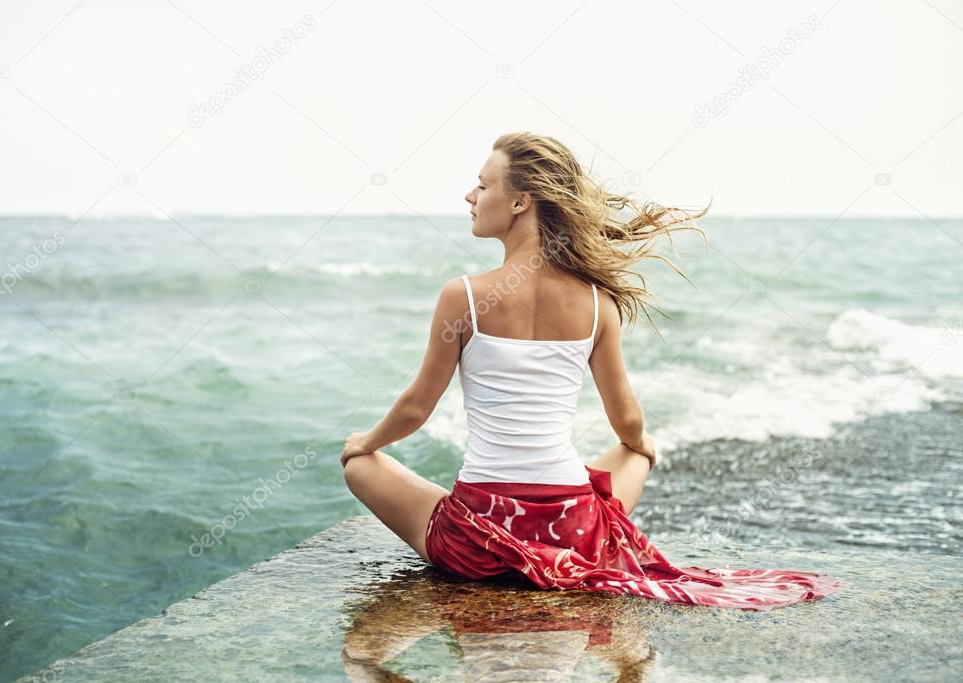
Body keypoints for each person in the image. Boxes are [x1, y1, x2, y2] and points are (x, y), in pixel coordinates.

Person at [340, 131, 841, 610]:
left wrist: (367, 443)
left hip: (480, 540)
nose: (470, 194)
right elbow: (625, 416)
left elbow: (415, 408)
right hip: (575, 531)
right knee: (631, 453)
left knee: (360, 466)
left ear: (520, 201)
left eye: (484, 184)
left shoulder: (463, 295)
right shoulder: (599, 303)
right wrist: (641, 447)